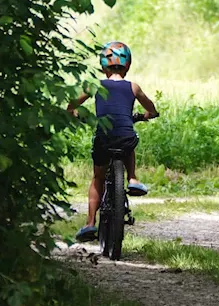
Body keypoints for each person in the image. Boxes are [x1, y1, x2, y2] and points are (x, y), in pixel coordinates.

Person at [67, 41, 158, 242]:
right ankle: (133, 178)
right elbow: (150, 106)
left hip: (104, 137)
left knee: (98, 177)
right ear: (128, 65)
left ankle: (90, 223)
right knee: (129, 140)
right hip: (125, 136)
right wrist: (149, 114)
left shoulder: (95, 85)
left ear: (103, 65)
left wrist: (73, 112)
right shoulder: (133, 87)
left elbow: (73, 103)